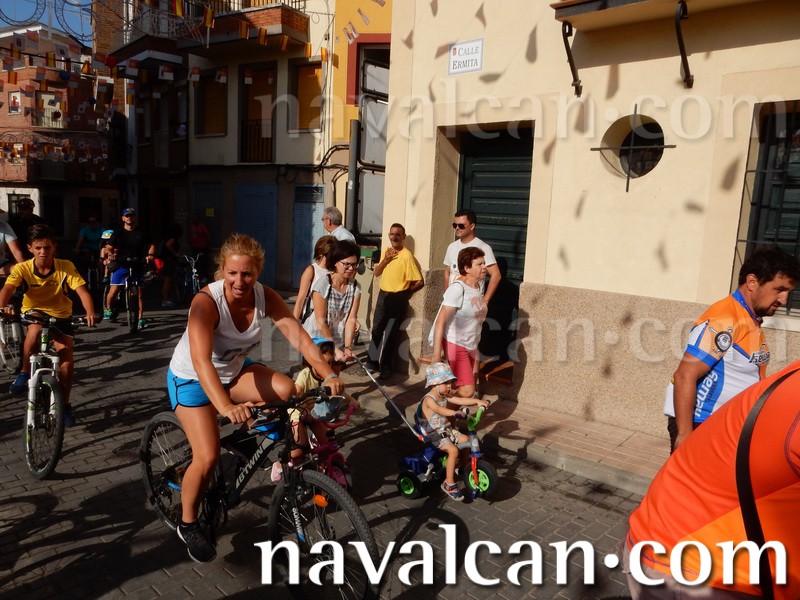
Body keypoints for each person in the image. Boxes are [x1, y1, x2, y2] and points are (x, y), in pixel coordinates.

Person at [166, 233, 345, 563]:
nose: (239, 281)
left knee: (287, 391)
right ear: (222, 271)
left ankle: (245, 441)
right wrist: (225, 406)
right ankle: (187, 522)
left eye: (247, 274)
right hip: (192, 381)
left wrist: (327, 373)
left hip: (233, 373)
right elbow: (202, 362)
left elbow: (299, 338)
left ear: (258, 272)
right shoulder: (207, 302)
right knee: (207, 457)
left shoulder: (265, 296)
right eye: (232, 273)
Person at [624, 360, 800, 599]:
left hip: (741, 444)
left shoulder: (755, 336)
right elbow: (685, 374)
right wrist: (684, 434)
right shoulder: (720, 331)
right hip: (690, 557)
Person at [664, 245, 800, 453]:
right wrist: (685, 435)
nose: (783, 299)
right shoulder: (725, 319)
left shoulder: (749, 317)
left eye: (788, 292)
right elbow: (685, 375)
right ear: (752, 282)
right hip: (703, 423)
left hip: (726, 424)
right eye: (779, 289)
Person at [0, 225, 96, 425]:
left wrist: (90, 312)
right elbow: (8, 288)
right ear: (30, 248)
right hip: (34, 310)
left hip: (61, 314)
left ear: (54, 247)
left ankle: (65, 405)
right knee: (34, 330)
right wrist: (2, 307)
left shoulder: (65, 266)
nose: (43, 252)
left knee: (66, 359)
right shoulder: (22, 268)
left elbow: (82, 291)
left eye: (47, 247)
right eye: (38, 248)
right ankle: (24, 372)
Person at [414, 362, 489, 502]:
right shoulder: (429, 399)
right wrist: (455, 413)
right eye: (446, 382)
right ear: (435, 384)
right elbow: (440, 410)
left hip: (445, 429)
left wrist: (477, 401)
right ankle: (448, 484)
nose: (450, 386)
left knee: (466, 439)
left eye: (450, 382)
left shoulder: (444, 394)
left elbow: (458, 399)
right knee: (453, 450)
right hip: (433, 433)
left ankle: (464, 467)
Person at [366, 223, 424, 380]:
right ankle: (372, 363)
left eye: (398, 234)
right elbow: (377, 273)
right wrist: (385, 260)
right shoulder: (386, 251)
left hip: (397, 298)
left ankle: (386, 368)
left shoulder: (407, 256)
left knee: (390, 334)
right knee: (376, 329)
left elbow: (419, 281)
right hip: (383, 295)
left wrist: (405, 293)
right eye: (392, 234)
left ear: (403, 237)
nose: (394, 237)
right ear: (388, 235)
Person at [431, 247, 489, 399]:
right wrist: (436, 355)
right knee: (468, 391)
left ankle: (448, 412)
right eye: (479, 264)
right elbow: (440, 321)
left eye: (484, 263)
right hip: (456, 344)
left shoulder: (477, 286)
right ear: (467, 268)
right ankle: (438, 409)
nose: (484, 267)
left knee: (461, 388)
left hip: (471, 344)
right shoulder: (457, 289)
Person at [292, 337, 360, 454]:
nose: (325, 368)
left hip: (315, 415)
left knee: (327, 445)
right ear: (310, 361)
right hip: (298, 414)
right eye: (321, 363)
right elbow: (296, 392)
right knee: (298, 451)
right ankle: (283, 464)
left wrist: (351, 400)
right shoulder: (305, 375)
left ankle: (323, 463)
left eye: (329, 363)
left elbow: (338, 393)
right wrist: (296, 399)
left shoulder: (328, 378)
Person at [302, 240, 361, 362]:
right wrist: (333, 348)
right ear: (335, 262)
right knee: (319, 372)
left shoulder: (355, 287)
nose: (351, 268)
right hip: (317, 338)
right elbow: (321, 321)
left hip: (337, 338)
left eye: (354, 264)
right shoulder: (323, 284)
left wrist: (348, 347)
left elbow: (351, 319)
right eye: (347, 264)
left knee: (336, 372)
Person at [103, 208, 156, 329]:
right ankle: (108, 309)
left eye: (131, 215)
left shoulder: (142, 232)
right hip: (121, 264)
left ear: (134, 217)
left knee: (139, 293)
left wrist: (150, 255)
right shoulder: (118, 233)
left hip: (137, 263)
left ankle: (140, 319)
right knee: (114, 289)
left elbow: (151, 245)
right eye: (127, 216)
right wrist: (110, 255)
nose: (129, 218)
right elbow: (108, 247)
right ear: (123, 218)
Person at [443, 210, 501, 305]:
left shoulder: (483, 247)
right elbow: (447, 272)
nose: (457, 228)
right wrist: (447, 295)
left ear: (472, 226)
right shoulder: (451, 247)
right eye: (454, 225)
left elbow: (496, 275)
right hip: (453, 302)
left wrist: (485, 301)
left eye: (461, 225)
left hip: (472, 303)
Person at [292, 235, 336, 322]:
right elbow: (301, 298)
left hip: (331, 318)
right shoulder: (311, 270)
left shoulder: (335, 271)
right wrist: (294, 323)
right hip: (312, 318)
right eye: (329, 254)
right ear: (321, 254)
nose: (333, 257)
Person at [159, 223, 183, 308]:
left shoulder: (168, 237)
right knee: (168, 280)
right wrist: (175, 253)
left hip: (167, 260)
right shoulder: (173, 238)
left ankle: (166, 298)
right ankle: (165, 300)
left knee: (168, 280)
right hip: (169, 260)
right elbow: (168, 245)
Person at [0, 208, 27, 277]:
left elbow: (16, 252)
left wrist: (26, 269)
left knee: (17, 269)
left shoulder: (4, 226)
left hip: (1, 264)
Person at [189, 214, 211, 282]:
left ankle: (204, 277)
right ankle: (196, 277)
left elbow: (208, 236)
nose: (193, 220)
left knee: (202, 263)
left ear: (198, 219)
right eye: (193, 219)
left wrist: (205, 245)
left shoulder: (202, 226)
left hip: (201, 248)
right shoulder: (192, 226)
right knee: (194, 263)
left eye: (195, 219)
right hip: (194, 247)